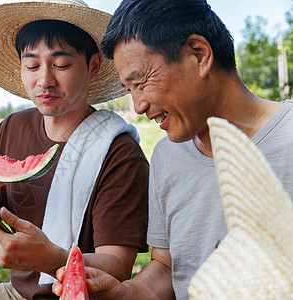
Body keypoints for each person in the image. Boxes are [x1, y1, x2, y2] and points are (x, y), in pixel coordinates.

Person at [52, 0, 293, 299]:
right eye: (129, 90)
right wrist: (124, 293)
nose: (138, 106)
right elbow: (167, 267)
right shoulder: (167, 157)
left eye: (140, 82)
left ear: (199, 55)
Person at [0, 0, 150, 299]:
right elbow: (0, 224)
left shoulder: (120, 153)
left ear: (94, 65)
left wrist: (52, 259)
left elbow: (118, 266)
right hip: (17, 292)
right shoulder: (12, 127)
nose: (44, 80)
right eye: (32, 65)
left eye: (61, 64)